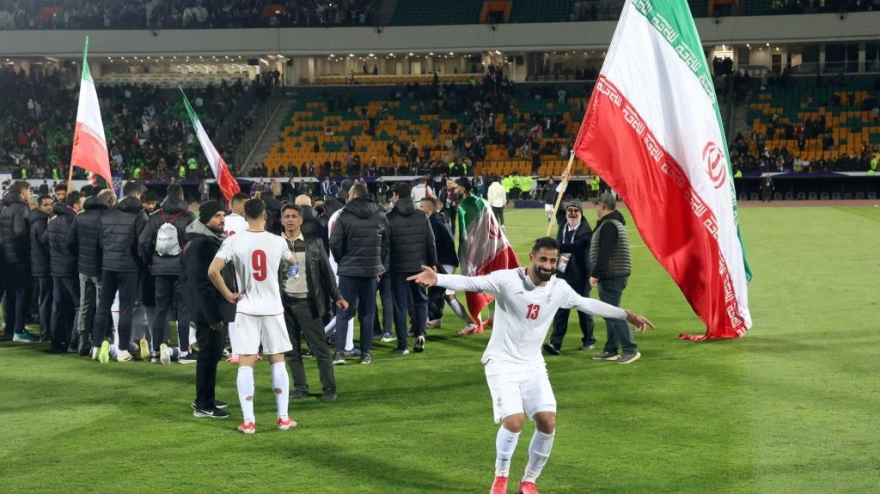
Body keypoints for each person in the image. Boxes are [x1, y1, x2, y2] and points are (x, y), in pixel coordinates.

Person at [407, 237, 654, 494]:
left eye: (553, 261)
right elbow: (472, 282)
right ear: (532, 258)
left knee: (547, 421)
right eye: (543, 259)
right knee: (514, 421)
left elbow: (587, 304)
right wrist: (438, 279)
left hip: (533, 364)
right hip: (502, 362)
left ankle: (529, 481)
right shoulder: (508, 280)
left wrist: (626, 314)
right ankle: (500, 478)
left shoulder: (559, 288)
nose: (548, 265)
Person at [208, 199, 299, 434]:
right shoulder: (277, 241)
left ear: (244, 217)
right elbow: (293, 261)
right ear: (265, 216)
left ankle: (249, 422)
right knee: (277, 361)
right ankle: (283, 418)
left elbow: (213, 270)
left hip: (246, 308)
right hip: (273, 308)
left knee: (246, 364)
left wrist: (228, 294)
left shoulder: (234, 241)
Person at [279, 204, 347, 403]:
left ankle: (329, 387)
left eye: (294, 216)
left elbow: (327, 273)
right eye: (286, 216)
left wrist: (338, 297)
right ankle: (300, 387)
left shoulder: (314, 242)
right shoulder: (276, 244)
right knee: (291, 350)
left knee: (320, 349)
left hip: (308, 303)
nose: (290, 220)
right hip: (284, 305)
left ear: (301, 220)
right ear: (282, 220)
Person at [182, 201, 234, 419]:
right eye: (217, 216)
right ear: (205, 219)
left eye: (223, 215)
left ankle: (205, 399)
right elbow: (201, 284)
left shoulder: (208, 240)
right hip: (209, 311)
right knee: (208, 355)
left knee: (212, 356)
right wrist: (213, 316)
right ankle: (204, 404)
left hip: (212, 308)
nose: (222, 219)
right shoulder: (201, 244)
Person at [328, 182, 390, 365]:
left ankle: (339, 353)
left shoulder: (344, 215)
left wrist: (342, 260)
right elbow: (386, 243)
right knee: (367, 314)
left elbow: (334, 243)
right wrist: (377, 264)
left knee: (343, 312)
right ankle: (365, 354)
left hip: (348, 271)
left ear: (354, 195)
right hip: (370, 272)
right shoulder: (380, 215)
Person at [91, 182, 148, 363]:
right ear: (137, 195)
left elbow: (100, 242)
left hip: (108, 266)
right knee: (126, 309)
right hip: (129, 268)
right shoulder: (140, 215)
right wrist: (144, 263)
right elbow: (143, 243)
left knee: (103, 307)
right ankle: (123, 349)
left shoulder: (108, 213)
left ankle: (96, 347)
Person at [139, 184, 197, 364]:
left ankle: (156, 350)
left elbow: (143, 241)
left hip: (160, 269)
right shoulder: (189, 217)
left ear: (166, 196)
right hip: (181, 269)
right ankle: (184, 352)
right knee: (183, 309)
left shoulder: (156, 216)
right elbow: (195, 242)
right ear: (182, 197)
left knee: (160, 309)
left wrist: (149, 261)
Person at [386, 182, 437, 354]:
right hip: (419, 266)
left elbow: (385, 246)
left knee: (400, 305)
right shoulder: (421, 215)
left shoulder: (389, 218)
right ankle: (421, 333)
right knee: (421, 300)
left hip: (398, 267)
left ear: (396, 195)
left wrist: (384, 267)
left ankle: (403, 345)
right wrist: (433, 263)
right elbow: (430, 241)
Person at [589, 193, 640, 364]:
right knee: (610, 312)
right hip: (616, 273)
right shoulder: (614, 223)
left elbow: (605, 252)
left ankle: (630, 349)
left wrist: (595, 274)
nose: (596, 208)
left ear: (602, 206)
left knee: (612, 314)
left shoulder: (608, 225)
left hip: (611, 275)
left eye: (596, 205)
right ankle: (611, 349)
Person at [543, 200, 595, 355]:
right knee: (560, 310)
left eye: (576, 211)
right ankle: (555, 344)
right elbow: (557, 203)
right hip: (562, 275)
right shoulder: (563, 223)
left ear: (581, 213)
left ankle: (589, 340)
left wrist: (554, 245)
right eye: (569, 210)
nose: (572, 213)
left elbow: (577, 248)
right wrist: (561, 187)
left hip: (581, 276)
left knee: (583, 310)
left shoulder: (586, 231)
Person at [69, 189, 116, 355]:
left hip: (83, 269)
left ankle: (82, 344)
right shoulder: (106, 217)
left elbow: (70, 242)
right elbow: (105, 245)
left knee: (85, 306)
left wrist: (80, 258)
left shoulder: (79, 217)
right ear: (109, 201)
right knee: (101, 307)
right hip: (100, 270)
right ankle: (98, 343)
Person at [421, 197, 478, 333]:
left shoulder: (433, 222)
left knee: (448, 294)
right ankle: (435, 319)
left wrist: (432, 262)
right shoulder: (439, 219)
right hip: (448, 260)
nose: (420, 209)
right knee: (439, 292)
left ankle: (471, 323)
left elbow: (434, 245)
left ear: (428, 208)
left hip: (444, 262)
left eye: (422, 206)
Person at [45, 191, 84, 353]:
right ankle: (73, 342)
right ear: (76, 205)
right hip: (70, 268)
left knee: (58, 304)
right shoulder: (74, 220)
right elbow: (75, 245)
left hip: (56, 268)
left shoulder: (53, 220)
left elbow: (44, 240)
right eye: (82, 203)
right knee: (79, 305)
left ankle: (55, 341)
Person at [1, 180, 35, 342]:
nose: (29, 194)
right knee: (22, 293)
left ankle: (10, 327)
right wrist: (27, 251)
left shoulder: (5, 206)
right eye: (29, 191)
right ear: (23, 191)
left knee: (10, 293)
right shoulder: (20, 207)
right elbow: (20, 232)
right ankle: (19, 331)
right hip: (18, 258)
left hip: (6, 256)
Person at [29, 194, 53, 341]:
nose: (49, 207)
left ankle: (46, 331)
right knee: (45, 300)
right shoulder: (41, 222)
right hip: (43, 266)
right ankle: (45, 332)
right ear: (39, 206)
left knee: (45, 299)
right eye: (46, 205)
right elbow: (45, 243)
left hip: (39, 265)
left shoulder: (38, 219)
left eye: (51, 204)